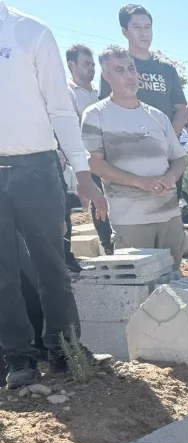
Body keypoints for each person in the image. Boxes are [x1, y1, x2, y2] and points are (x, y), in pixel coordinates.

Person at [1, 0, 109, 387]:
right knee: (2, 272)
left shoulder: (31, 32)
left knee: (51, 264)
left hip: (36, 167)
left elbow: (60, 109)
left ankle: (63, 349)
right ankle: (17, 357)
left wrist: (82, 173)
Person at [83, 46, 187, 269]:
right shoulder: (96, 115)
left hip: (170, 218)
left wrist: (170, 178)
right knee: (137, 293)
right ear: (106, 76)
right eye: (120, 70)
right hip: (131, 222)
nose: (129, 75)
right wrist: (140, 183)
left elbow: (179, 158)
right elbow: (94, 163)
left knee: (173, 289)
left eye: (131, 69)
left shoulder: (157, 116)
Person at [102, 5, 186, 137]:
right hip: (128, 145)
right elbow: (107, 109)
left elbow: (181, 109)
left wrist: (170, 140)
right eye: (137, 27)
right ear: (125, 32)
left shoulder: (167, 69)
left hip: (165, 149)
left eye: (147, 27)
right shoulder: (116, 68)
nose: (144, 33)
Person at [66, 43, 114, 255]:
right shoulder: (68, 93)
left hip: (111, 155)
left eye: (93, 64)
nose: (91, 68)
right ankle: (107, 245)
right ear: (71, 65)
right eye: (86, 64)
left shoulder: (100, 93)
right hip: (88, 158)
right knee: (99, 202)